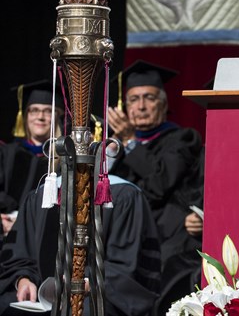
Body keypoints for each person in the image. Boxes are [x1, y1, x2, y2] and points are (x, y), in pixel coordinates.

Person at [106, 60, 203, 315]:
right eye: (133, 99)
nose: (140, 106)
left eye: (148, 97)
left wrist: (130, 141)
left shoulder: (181, 139)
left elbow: (159, 184)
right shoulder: (115, 149)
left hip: (169, 240)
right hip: (124, 241)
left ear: (163, 103)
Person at [0, 174, 161, 316]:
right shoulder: (43, 193)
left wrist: (84, 284)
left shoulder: (122, 194)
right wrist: (23, 279)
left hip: (97, 294)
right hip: (41, 297)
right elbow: (20, 254)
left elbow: (126, 265)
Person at [0, 81, 63, 238]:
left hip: (42, 235)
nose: (40, 117)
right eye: (34, 110)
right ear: (25, 116)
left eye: (48, 111)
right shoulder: (6, 153)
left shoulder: (63, 160)